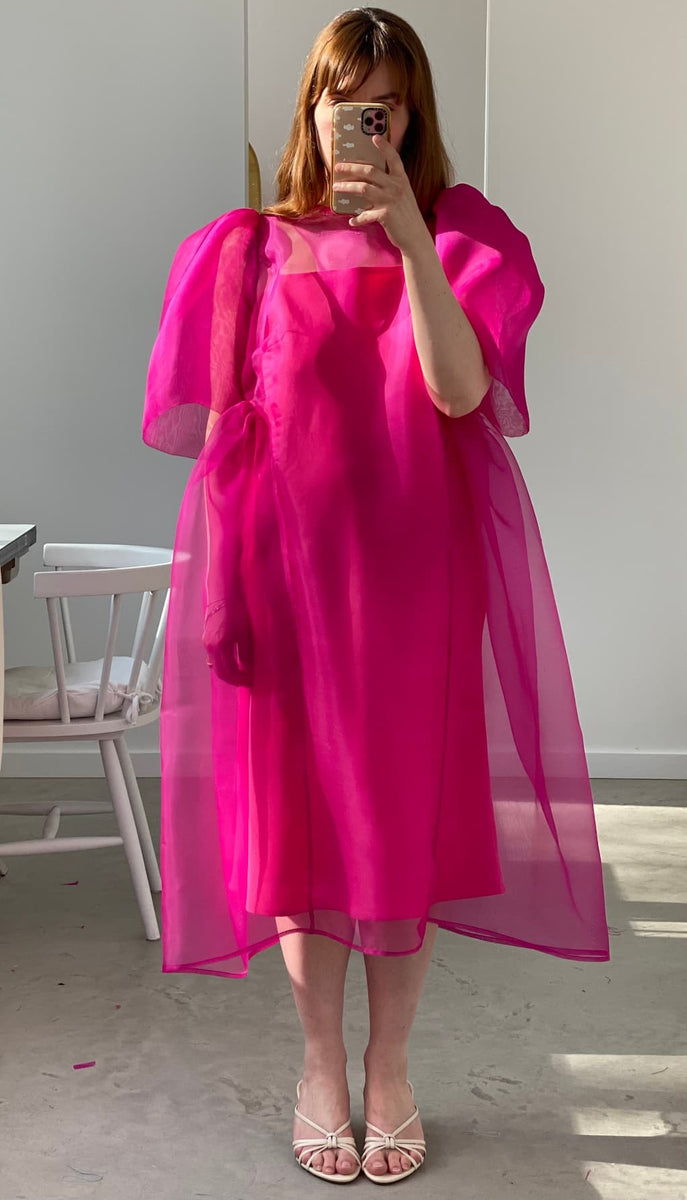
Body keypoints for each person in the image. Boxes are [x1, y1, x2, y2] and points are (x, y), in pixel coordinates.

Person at [142, 6, 609, 1185]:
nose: (368, 123)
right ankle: (319, 1067)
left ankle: (389, 1069)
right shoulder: (243, 252)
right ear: (311, 112)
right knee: (298, 842)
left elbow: (459, 393)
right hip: (287, 586)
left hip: (415, 596)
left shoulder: (466, 237)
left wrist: (409, 240)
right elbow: (223, 446)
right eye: (347, 103)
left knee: (401, 834)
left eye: (389, 106)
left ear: (414, 117)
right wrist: (220, 592)